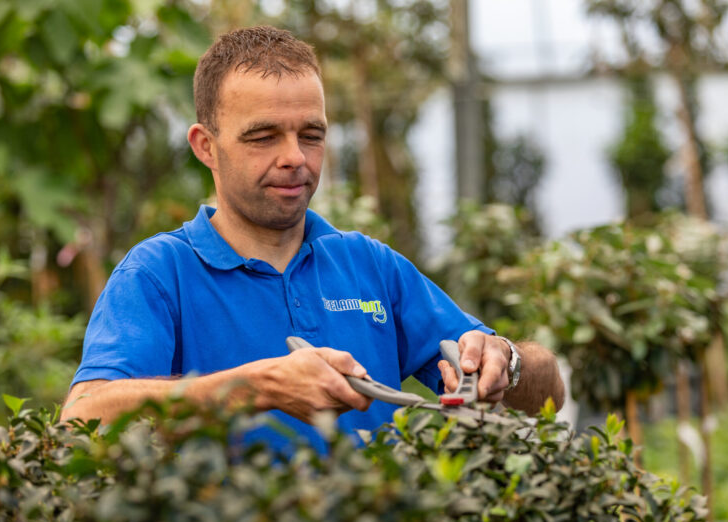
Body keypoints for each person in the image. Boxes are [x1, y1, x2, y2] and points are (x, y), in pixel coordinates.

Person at [62, 26, 565, 453]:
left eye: (312, 134)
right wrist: (256, 388)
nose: (294, 157)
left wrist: (506, 362)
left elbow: (550, 394)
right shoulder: (159, 273)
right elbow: (82, 418)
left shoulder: (369, 265)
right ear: (206, 146)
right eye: (263, 137)